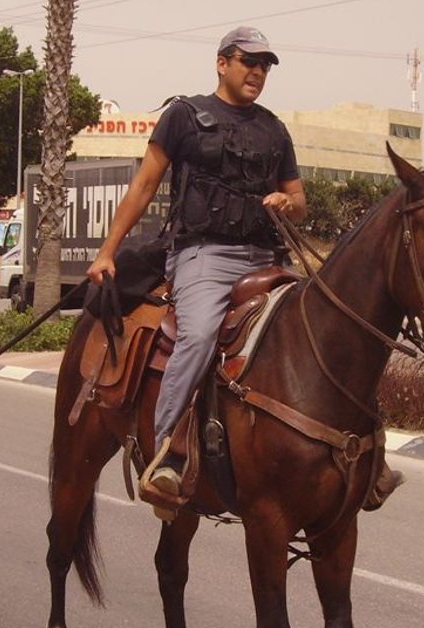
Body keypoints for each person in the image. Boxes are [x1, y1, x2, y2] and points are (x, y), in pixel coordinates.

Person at [86, 26, 307, 507]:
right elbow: (144, 186)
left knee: (314, 327)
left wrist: (286, 204)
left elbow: (299, 198)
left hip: (266, 260)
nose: (258, 72)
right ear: (221, 63)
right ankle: (167, 453)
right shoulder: (184, 116)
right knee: (200, 333)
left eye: (265, 65)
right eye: (248, 61)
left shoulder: (274, 129)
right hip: (204, 255)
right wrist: (107, 251)